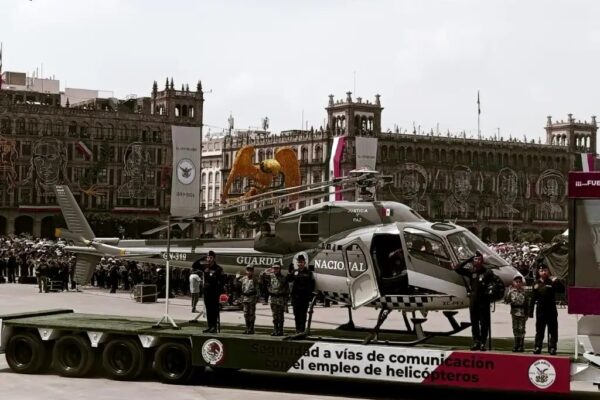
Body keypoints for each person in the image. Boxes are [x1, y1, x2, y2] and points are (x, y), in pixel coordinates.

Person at [453, 250, 495, 351]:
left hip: (484, 301)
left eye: (479, 259)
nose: (477, 261)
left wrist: (490, 291)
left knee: (484, 323)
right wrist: (469, 259)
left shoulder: (487, 272)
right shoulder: (472, 271)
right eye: (475, 259)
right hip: (474, 300)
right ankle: (476, 341)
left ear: (482, 260)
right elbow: (457, 268)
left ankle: (483, 343)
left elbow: (494, 283)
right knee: (474, 322)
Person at [529, 263, 563, 355]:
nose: (543, 272)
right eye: (541, 271)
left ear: (548, 271)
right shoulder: (536, 283)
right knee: (539, 330)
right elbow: (532, 298)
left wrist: (557, 281)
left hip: (551, 309)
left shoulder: (552, 281)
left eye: (545, 270)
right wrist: (530, 312)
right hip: (540, 310)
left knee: (553, 330)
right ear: (538, 272)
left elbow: (561, 290)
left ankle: (552, 347)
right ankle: (537, 346)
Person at [288, 254, 315, 333]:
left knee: (303, 315)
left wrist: (310, 295)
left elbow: (312, 284)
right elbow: (289, 280)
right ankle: (297, 330)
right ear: (297, 263)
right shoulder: (295, 272)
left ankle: (302, 330)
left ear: (304, 262)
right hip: (296, 297)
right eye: (299, 262)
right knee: (296, 314)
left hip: (304, 298)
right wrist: (290, 272)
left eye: (302, 262)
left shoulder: (309, 273)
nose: (300, 264)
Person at [261, 262, 289, 336]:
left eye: (277, 268)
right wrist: (265, 271)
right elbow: (261, 278)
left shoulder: (283, 278)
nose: (276, 269)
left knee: (280, 316)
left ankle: (280, 330)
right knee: (274, 316)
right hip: (273, 297)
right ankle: (275, 329)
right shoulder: (270, 277)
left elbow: (287, 290)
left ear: (280, 269)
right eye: (274, 268)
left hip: (280, 298)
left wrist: (286, 301)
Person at [504, 274, 528, 352]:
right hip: (514, 312)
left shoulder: (524, 292)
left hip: (522, 312)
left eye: (519, 282)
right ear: (513, 283)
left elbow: (527, 303)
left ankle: (521, 345)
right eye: (516, 282)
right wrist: (508, 292)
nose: (518, 283)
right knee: (515, 328)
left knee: (521, 329)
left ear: (521, 283)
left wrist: (527, 314)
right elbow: (506, 301)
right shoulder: (511, 292)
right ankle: (516, 344)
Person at [202, 250, 224, 333]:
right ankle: (209, 326)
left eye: (211, 257)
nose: (209, 259)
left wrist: (219, 293)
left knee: (214, 310)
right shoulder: (205, 268)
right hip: (207, 292)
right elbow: (194, 265)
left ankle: (214, 326)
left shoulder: (218, 269)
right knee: (208, 310)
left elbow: (222, 281)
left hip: (214, 293)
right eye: (208, 257)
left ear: (214, 258)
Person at [239, 264, 260, 334]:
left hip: (252, 298)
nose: (249, 271)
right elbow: (237, 286)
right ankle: (247, 328)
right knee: (245, 313)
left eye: (251, 270)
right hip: (245, 298)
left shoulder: (254, 279)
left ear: (253, 271)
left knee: (251, 314)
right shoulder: (243, 278)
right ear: (246, 271)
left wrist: (257, 298)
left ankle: (251, 328)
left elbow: (257, 289)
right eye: (248, 270)